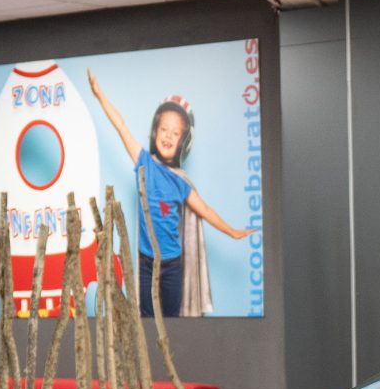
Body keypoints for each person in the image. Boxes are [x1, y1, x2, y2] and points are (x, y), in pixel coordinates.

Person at [83, 68, 254, 317]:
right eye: (164, 129)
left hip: (172, 265)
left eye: (175, 133)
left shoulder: (180, 183)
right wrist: (99, 95)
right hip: (146, 262)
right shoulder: (143, 162)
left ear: (183, 142)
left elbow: (205, 210)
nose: (168, 136)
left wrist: (232, 231)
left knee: (173, 319)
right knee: (147, 318)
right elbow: (121, 126)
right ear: (155, 132)